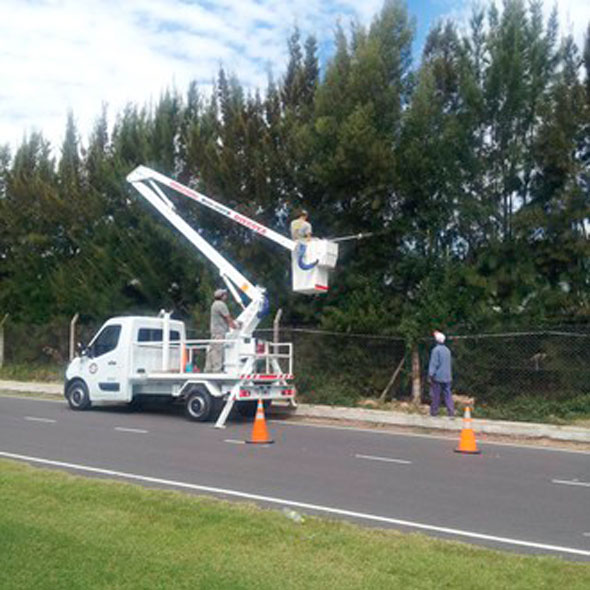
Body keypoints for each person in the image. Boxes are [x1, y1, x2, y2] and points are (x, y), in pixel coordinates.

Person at [204, 288, 238, 373]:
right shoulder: (221, 305)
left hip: (215, 331)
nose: (226, 296)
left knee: (212, 350)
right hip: (220, 331)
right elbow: (227, 318)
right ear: (222, 296)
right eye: (225, 295)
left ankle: (208, 368)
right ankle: (217, 370)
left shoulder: (214, 304)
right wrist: (235, 326)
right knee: (218, 350)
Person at [428, 330, 454, 417]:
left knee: (436, 395)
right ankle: (451, 412)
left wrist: (431, 374)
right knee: (448, 394)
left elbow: (434, 363)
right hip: (447, 376)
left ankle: (434, 412)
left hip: (438, 377)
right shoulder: (447, 350)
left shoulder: (436, 350)